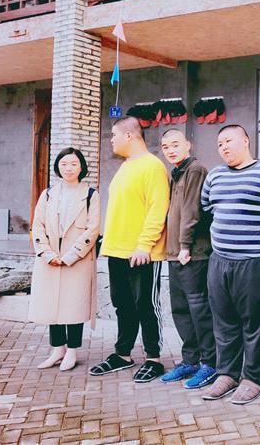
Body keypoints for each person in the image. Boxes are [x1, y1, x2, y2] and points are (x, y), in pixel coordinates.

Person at [200, 125, 260, 405]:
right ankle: (227, 374)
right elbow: (207, 208)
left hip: (255, 261)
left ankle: (253, 378)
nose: (224, 147)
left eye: (229, 141)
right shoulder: (215, 176)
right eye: (220, 144)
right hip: (220, 261)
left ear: (245, 141)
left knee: (254, 323)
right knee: (224, 321)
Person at [90, 117, 170, 383]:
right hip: (117, 249)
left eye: (114, 135)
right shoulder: (125, 166)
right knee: (122, 304)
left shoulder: (153, 166)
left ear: (129, 135)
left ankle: (153, 358)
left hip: (141, 252)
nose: (111, 140)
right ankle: (123, 354)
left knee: (145, 305)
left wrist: (145, 244)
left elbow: (158, 209)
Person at [30, 148, 101, 372]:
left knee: (74, 306)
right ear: (57, 167)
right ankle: (57, 350)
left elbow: (93, 229)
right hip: (50, 258)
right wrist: (47, 253)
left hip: (77, 259)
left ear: (81, 167)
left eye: (73, 164)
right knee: (53, 305)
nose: (68, 168)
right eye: (64, 164)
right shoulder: (48, 194)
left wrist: (71, 255)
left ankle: (72, 351)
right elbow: (37, 225)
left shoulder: (90, 195)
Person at [158, 129, 217, 390]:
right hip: (174, 254)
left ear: (188, 145)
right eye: (165, 147)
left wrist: (184, 245)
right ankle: (190, 360)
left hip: (192, 254)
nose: (170, 150)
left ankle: (210, 363)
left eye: (175, 145)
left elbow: (192, 211)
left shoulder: (195, 170)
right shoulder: (177, 173)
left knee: (199, 310)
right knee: (180, 309)